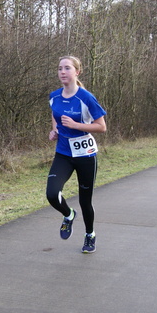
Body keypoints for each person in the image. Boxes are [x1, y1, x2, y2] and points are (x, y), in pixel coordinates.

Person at [46, 56, 107, 253]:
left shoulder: (86, 98)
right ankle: (69, 215)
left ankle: (90, 235)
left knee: (85, 200)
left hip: (85, 154)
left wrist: (76, 125)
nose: (62, 72)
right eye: (59, 68)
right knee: (52, 194)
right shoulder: (54, 96)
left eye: (67, 68)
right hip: (63, 152)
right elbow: (55, 117)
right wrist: (54, 131)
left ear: (76, 72)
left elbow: (101, 126)